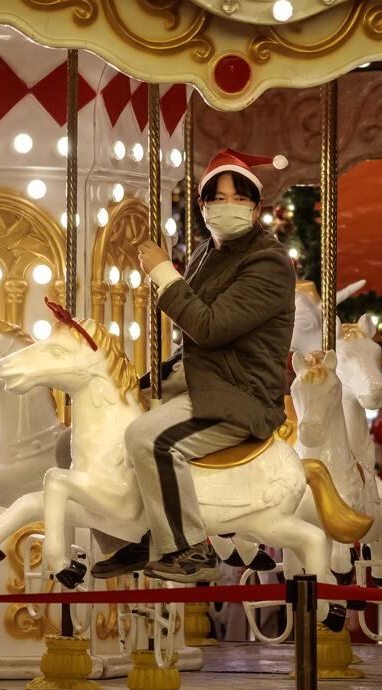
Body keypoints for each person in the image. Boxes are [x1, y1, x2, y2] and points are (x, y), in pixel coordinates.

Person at [104, 149, 295, 582]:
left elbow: (209, 328)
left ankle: (188, 551)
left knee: (149, 438)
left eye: (238, 198)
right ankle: (135, 534)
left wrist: (165, 276)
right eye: (217, 198)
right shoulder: (209, 251)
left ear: (256, 207)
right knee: (104, 423)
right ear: (203, 206)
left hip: (237, 395)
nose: (227, 207)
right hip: (201, 381)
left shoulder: (268, 263)